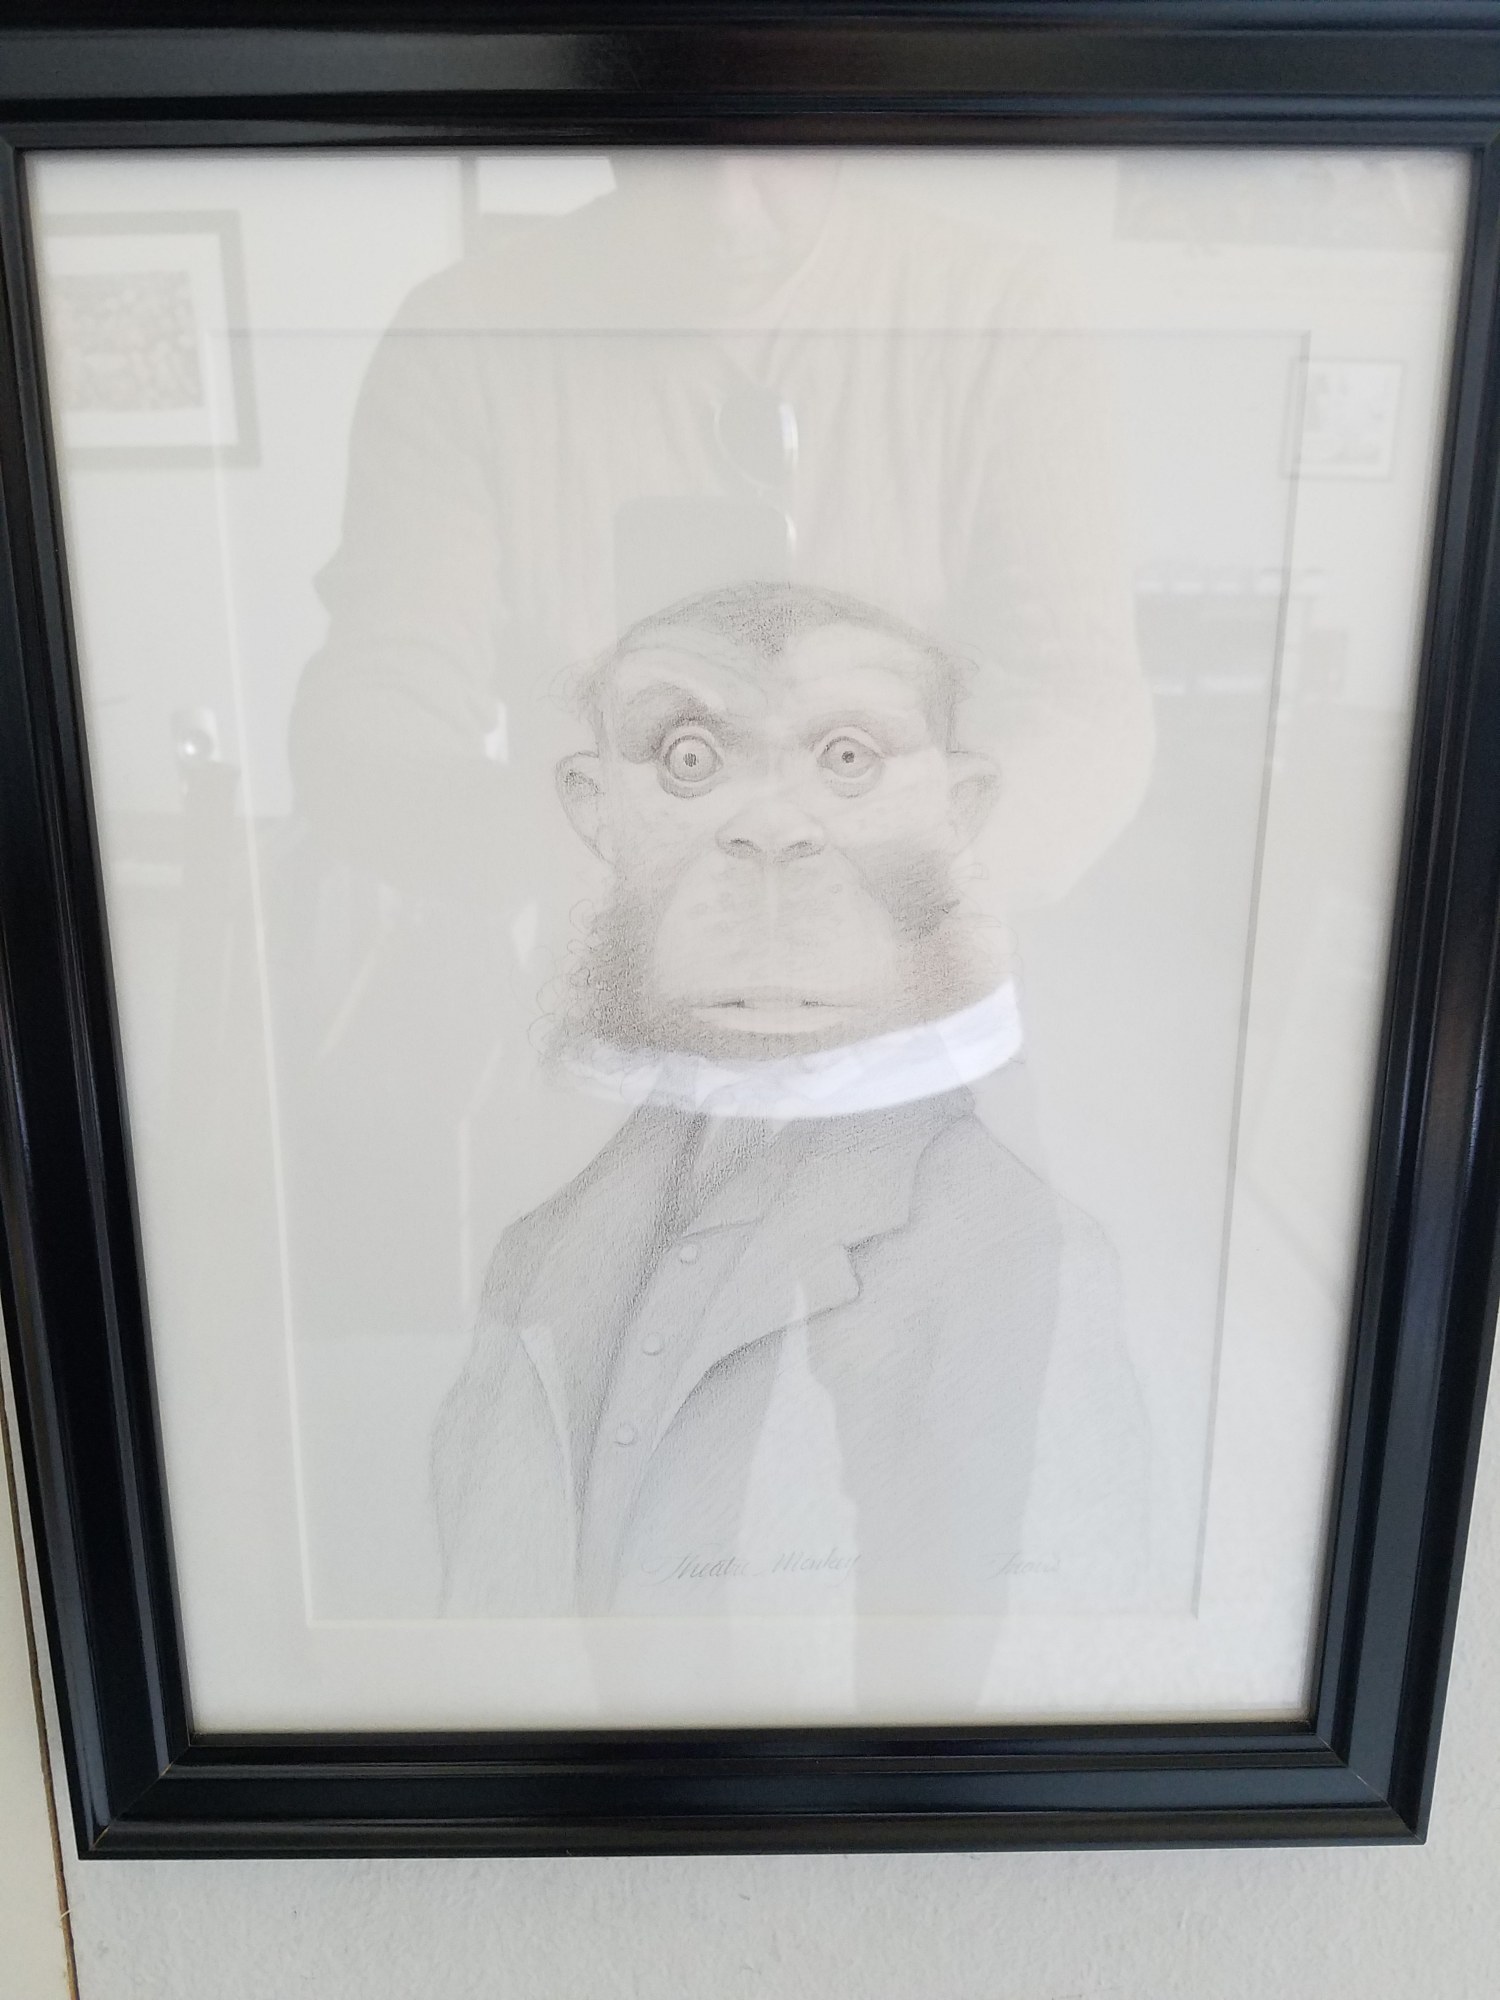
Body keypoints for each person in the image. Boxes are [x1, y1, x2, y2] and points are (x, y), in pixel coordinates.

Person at [431, 583, 1147, 1616]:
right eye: (688, 760)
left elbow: (1054, 1644)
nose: (771, 829)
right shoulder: (538, 1245)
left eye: (848, 758)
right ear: (595, 808)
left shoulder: (1022, 1252)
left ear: (957, 810)